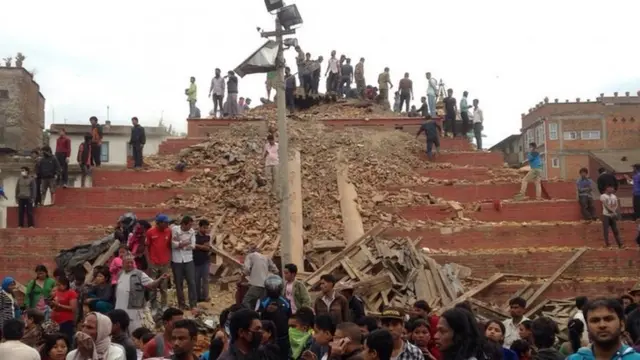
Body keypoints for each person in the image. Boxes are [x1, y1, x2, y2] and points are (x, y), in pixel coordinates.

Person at [114, 252, 171, 331]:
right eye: (128, 263)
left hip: (134, 309)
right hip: (120, 307)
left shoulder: (139, 274)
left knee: (134, 330)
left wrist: (160, 278)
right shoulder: (120, 274)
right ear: (123, 263)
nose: (130, 264)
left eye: (132, 262)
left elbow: (152, 285)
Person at [256, 275, 291, 358]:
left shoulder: (285, 301)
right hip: (268, 339)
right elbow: (256, 317)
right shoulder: (262, 301)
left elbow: (289, 316)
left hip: (283, 337)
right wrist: (266, 311)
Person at [146, 214, 172, 314]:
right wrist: (150, 261)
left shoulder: (169, 231)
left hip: (165, 263)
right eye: (166, 222)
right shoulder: (150, 232)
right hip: (154, 263)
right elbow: (147, 247)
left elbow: (169, 245)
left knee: (164, 286)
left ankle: (164, 305)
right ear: (159, 223)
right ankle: (153, 306)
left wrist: (168, 260)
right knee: (153, 285)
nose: (168, 224)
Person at [171, 215, 198, 310]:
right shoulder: (175, 230)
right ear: (183, 224)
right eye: (189, 225)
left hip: (188, 259)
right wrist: (183, 243)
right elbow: (172, 244)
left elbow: (193, 245)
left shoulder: (192, 232)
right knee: (179, 283)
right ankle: (181, 304)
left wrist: (181, 244)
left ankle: (193, 304)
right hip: (177, 260)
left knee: (191, 282)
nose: (190, 227)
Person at [50, 277, 77, 344]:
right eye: (57, 285)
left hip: (66, 321)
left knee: (66, 340)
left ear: (65, 285)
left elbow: (73, 308)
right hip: (55, 320)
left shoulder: (71, 293)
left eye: (59, 285)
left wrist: (59, 305)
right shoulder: (57, 292)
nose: (57, 287)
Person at [194, 219, 212, 303]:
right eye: (204, 228)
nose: (206, 230)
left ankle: (206, 296)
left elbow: (207, 248)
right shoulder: (194, 237)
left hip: (205, 261)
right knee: (196, 281)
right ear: (200, 227)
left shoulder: (207, 237)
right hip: (195, 262)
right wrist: (201, 246)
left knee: (205, 280)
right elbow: (193, 247)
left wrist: (196, 245)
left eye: (207, 228)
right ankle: (197, 297)